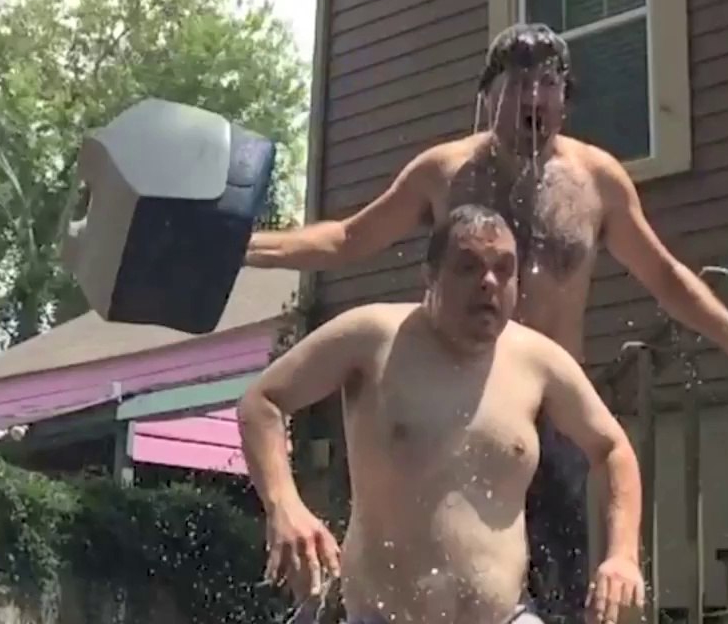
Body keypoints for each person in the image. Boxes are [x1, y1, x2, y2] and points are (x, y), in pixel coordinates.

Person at [246, 22, 728, 616]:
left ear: (565, 98)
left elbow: (665, 277)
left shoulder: (596, 181)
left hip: (548, 413)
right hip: (451, 397)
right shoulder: (445, 171)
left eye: (547, 85)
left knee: (560, 596)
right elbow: (348, 238)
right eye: (518, 85)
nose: (533, 99)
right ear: (488, 97)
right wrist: (247, 249)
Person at [238, 204, 644, 624]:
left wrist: (623, 555)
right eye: (468, 267)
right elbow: (261, 402)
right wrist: (283, 504)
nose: (489, 282)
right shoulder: (372, 337)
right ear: (429, 277)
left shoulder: (540, 361)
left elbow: (612, 448)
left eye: (504, 269)